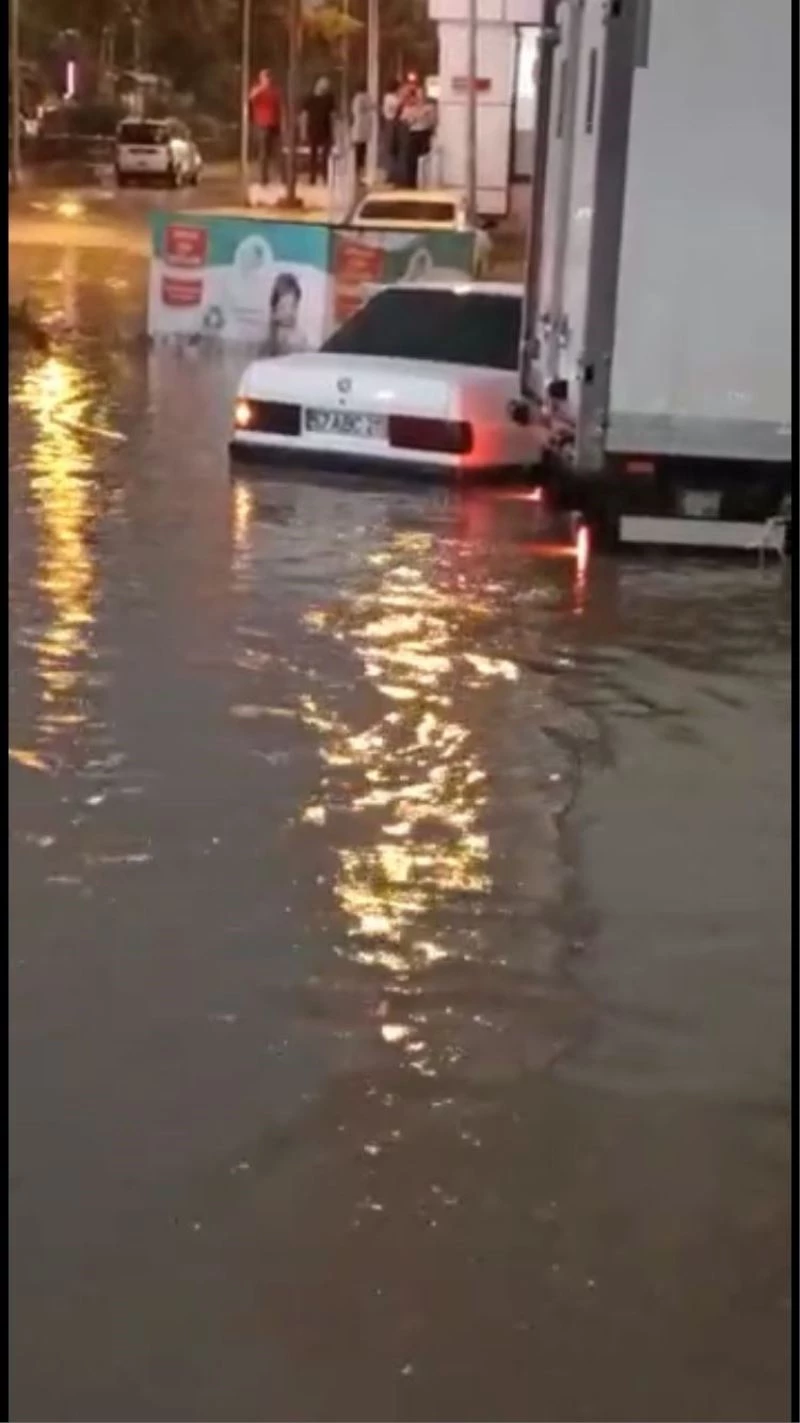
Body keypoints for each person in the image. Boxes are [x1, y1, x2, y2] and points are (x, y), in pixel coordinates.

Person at [259, 272, 307, 358]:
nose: (277, 286)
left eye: (280, 284)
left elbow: (287, 316)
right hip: (278, 333)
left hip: (285, 334)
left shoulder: (289, 299)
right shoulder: (281, 300)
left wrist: (276, 319)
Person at [249, 69, 283, 185]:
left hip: (275, 124)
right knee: (263, 152)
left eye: (269, 77)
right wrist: (261, 87)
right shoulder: (257, 90)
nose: (268, 79)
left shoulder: (274, 91)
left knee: (278, 152)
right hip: (262, 124)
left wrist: (282, 122)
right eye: (265, 77)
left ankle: (282, 177)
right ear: (261, 78)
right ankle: (264, 178)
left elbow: (279, 107)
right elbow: (251, 97)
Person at [303, 76, 336, 186]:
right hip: (313, 129)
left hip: (326, 130)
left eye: (327, 85)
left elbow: (333, 115)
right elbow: (304, 115)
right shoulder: (310, 99)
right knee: (313, 155)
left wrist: (335, 131)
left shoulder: (329, 98)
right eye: (324, 84)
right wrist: (303, 131)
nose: (326, 87)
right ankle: (312, 177)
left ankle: (325, 176)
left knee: (325, 155)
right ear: (318, 85)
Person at [350, 86, 372, 180]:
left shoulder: (356, 98)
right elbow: (371, 106)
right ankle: (359, 171)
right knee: (361, 152)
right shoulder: (363, 98)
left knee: (359, 151)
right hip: (361, 128)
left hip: (359, 128)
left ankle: (358, 171)